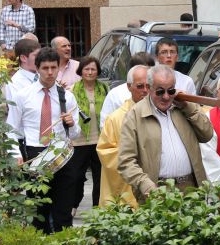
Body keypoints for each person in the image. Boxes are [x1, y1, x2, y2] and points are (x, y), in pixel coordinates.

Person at [6, 47, 80, 233]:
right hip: (35, 152)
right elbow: (11, 129)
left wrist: (71, 124)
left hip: (61, 155)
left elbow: (77, 134)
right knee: (39, 212)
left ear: (58, 69)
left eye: (53, 68)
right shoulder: (23, 96)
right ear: (37, 68)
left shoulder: (67, 97)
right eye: (45, 67)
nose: (49, 72)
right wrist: (16, 155)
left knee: (63, 211)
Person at [118, 64, 212, 202]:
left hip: (191, 188)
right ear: (149, 88)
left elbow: (207, 134)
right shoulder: (134, 115)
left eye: (171, 91)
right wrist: (145, 184)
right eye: (160, 92)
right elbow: (126, 161)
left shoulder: (184, 108)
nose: (166, 97)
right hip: (157, 191)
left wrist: (189, 107)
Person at [97, 65, 150, 208]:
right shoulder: (115, 118)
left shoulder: (161, 114)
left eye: (148, 86)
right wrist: (135, 157)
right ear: (129, 87)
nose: (145, 90)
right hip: (126, 189)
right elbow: (105, 152)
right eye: (140, 86)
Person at [70, 56, 108, 209]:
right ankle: (73, 206)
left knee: (100, 178)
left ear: (98, 71)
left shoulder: (104, 89)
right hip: (79, 141)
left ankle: (97, 208)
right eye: (87, 69)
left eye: (93, 69)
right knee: (77, 177)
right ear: (81, 71)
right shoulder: (72, 89)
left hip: (100, 140)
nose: (90, 72)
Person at [99, 52, 155, 129]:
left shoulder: (157, 92)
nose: (147, 75)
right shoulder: (115, 94)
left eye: (149, 71)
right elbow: (105, 125)